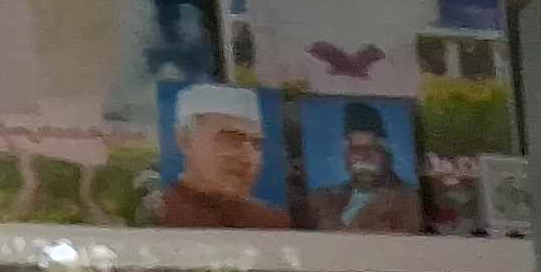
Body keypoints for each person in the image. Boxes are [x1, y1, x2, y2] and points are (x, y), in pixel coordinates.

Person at [152, 84, 287, 230]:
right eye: (232, 139)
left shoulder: (274, 223)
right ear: (185, 140)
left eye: (256, 144)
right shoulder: (159, 216)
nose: (249, 158)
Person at [309, 104, 424, 234]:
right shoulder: (322, 199)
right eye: (356, 149)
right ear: (346, 155)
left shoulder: (408, 199)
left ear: (385, 154)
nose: (363, 157)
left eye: (371, 149)